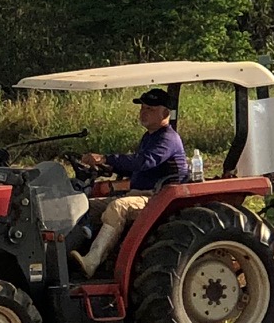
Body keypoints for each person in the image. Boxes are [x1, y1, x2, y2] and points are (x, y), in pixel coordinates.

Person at [72, 88, 189, 276]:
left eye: (149, 109)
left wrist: (106, 159)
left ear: (165, 113)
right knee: (83, 206)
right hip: (139, 194)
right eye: (142, 108)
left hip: (158, 198)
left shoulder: (167, 138)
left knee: (118, 207)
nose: (143, 112)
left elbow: (144, 162)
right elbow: (135, 166)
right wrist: (109, 167)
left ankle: (92, 261)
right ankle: (71, 256)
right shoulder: (150, 137)